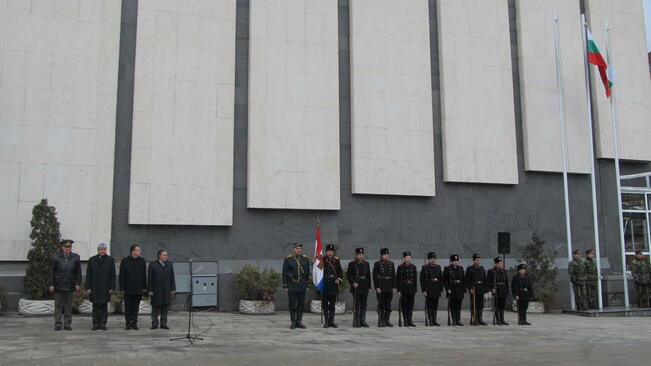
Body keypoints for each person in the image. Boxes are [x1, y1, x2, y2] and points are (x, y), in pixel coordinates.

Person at [49, 239, 81, 331]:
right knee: (58, 305)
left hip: (70, 284)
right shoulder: (56, 257)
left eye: (69, 247)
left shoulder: (76, 257)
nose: (67, 248)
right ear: (62, 247)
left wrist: (78, 283)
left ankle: (67, 323)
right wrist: (51, 284)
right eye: (66, 247)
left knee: (68, 305)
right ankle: (58, 323)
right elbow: (52, 272)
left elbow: (78, 272)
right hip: (58, 284)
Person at [85, 243, 115, 331]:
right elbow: (88, 275)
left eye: (104, 249)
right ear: (98, 250)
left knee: (104, 305)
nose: (103, 251)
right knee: (95, 306)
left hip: (105, 287)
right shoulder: (92, 260)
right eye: (101, 249)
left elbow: (112, 275)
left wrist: (112, 287)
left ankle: (103, 323)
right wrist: (88, 287)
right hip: (94, 287)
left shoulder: (110, 260)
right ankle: (95, 323)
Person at [282, 242, 311, 329]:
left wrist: (308, 284)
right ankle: (293, 322)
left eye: (300, 249)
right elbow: (284, 273)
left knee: (301, 304)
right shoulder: (288, 259)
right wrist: (285, 285)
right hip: (292, 285)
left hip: (302, 284)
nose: (298, 250)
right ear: (293, 250)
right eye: (297, 248)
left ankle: (299, 321)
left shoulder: (305, 259)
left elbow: (308, 273)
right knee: (292, 304)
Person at [119, 244, 148, 330]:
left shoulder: (142, 261)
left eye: (139, 250)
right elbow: (122, 275)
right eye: (138, 250)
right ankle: (128, 323)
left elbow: (143, 275)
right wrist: (122, 287)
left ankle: (134, 322)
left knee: (136, 307)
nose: (140, 252)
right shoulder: (125, 261)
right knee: (128, 307)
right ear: (133, 251)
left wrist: (144, 287)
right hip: (128, 288)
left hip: (138, 288)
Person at [148, 249, 176, 329]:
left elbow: (172, 277)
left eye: (167, 255)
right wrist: (150, 289)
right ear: (159, 256)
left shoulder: (169, 264)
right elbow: (150, 278)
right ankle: (154, 323)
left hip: (166, 289)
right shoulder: (153, 264)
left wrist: (173, 288)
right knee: (155, 307)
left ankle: (163, 323)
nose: (166, 256)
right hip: (156, 289)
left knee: (165, 307)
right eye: (164, 255)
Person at [347, 247, 371, 328]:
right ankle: (356, 321)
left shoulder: (366, 264)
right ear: (356, 255)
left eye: (362, 255)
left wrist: (369, 287)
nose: (361, 256)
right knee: (357, 304)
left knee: (364, 304)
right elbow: (348, 275)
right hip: (356, 287)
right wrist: (353, 283)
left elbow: (368, 276)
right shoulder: (352, 264)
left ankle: (363, 320)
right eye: (359, 255)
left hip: (365, 286)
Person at [321, 243, 343, 328]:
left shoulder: (336, 261)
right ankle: (326, 321)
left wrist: (339, 279)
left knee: (332, 305)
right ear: (326, 252)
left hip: (334, 285)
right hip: (325, 285)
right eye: (328, 251)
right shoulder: (322, 260)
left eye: (331, 251)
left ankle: (332, 321)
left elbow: (340, 272)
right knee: (325, 305)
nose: (330, 253)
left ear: (333, 252)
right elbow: (319, 271)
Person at [373, 248, 396, 327]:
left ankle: (387, 320)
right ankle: (381, 320)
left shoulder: (391, 264)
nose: (386, 256)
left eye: (387, 255)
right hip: (381, 286)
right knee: (381, 304)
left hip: (389, 286)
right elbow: (375, 277)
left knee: (388, 304)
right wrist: (377, 287)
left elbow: (393, 275)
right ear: (381, 255)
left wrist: (394, 286)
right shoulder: (377, 264)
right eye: (385, 255)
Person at [420, 251, 442, 326]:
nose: (433, 260)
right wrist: (424, 290)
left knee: (435, 305)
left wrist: (440, 289)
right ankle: (430, 320)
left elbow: (440, 279)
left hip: (436, 288)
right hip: (429, 289)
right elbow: (422, 280)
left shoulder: (438, 267)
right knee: (429, 305)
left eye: (434, 259)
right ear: (428, 260)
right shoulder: (425, 268)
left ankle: (434, 320)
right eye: (431, 259)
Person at [486, 256, 510, 325]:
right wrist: (491, 289)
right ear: (496, 264)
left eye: (502, 263)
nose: (501, 265)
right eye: (500, 264)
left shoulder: (504, 271)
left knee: (502, 306)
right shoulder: (491, 271)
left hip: (503, 290)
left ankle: (502, 319)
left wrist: (507, 291)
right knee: (497, 306)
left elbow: (506, 282)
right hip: (496, 290)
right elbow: (488, 282)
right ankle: (498, 319)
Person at [465, 253, 487, 325]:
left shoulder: (482, 268)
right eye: (476, 260)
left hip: (480, 289)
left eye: (479, 260)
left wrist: (485, 289)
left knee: (480, 305)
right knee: (474, 305)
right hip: (474, 290)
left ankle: (480, 319)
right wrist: (470, 288)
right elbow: (467, 280)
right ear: (473, 261)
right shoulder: (470, 269)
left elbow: (484, 279)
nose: (478, 261)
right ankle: (475, 319)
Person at [443, 254, 465, 326]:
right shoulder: (447, 268)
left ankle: (458, 320)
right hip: (452, 289)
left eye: (457, 261)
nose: (456, 262)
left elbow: (463, 279)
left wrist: (463, 289)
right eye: (454, 261)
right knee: (453, 305)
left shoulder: (460, 268)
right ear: (451, 261)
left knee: (458, 305)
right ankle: (454, 320)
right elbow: (445, 280)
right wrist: (448, 288)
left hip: (459, 289)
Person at [396, 251, 417, 327]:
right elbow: (398, 279)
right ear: (404, 258)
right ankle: (405, 320)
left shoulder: (413, 267)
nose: (408, 259)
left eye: (409, 257)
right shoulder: (400, 267)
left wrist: (415, 289)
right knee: (404, 304)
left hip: (411, 287)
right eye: (407, 257)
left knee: (410, 305)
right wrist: (399, 290)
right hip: (404, 288)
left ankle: (410, 319)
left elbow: (415, 279)